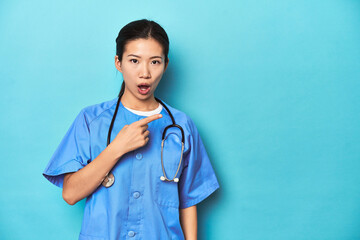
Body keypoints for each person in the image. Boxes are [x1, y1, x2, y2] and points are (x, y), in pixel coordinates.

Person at [43, 19, 219, 240]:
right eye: (134, 60)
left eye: (155, 62)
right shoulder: (90, 120)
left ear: (165, 64)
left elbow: (188, 201)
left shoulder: (181, 126)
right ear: (118, 62)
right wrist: (117, 148)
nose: (144, 72)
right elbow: (70, 194)